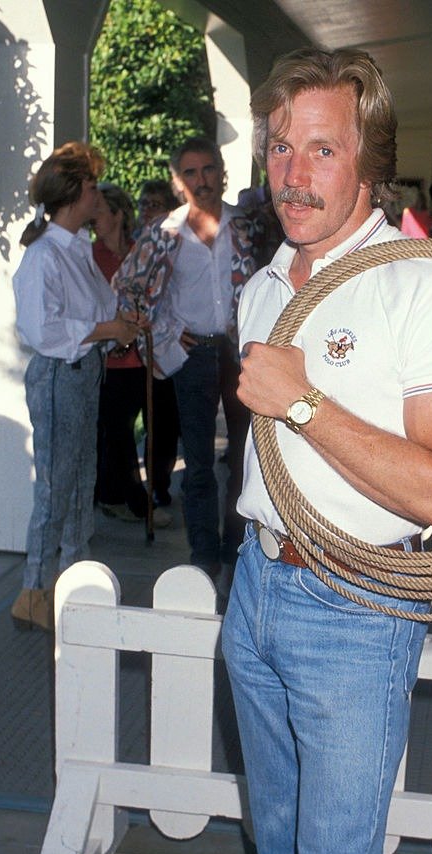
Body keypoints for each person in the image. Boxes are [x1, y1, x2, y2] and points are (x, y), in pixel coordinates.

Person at [221, 47, 432, 854]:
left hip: (353, 605)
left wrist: (302, 403)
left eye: (320, 150)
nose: (292, 173)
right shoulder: (262, 288)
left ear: (365, 163)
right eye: (280, 149)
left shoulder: (424, 285)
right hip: (255, 591)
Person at [10, 142, 145, 631]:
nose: (98, 197)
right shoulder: (44, 256)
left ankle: (73, 580)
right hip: (57, 377)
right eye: (91, 189)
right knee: (55, 487)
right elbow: (42, 331)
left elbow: (93, 313)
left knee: (81, 478)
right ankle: (35, 590)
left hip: (84, 375)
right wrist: (110, 331)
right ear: (71, 195)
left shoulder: (76, 251)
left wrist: (118, 324)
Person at [115, 137, 257, 579]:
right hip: (192, 355)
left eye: (209, 169)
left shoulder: (247, 227)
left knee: (242, 459)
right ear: (179, 182)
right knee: (197, 462)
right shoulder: (162, 234)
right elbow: (128, 287)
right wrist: (168, 332)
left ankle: (237, 548)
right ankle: (204, 554)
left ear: (222, 173)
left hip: (240, 355)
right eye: (191, 173)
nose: (202, 180)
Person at [92, 183, 173, 527]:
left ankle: (140, 493)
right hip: (110, 359)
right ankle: (137, 502)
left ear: (117, 215)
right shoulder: (90, 256)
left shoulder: (137, 251)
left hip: (143, 355)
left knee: (156, 428)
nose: (92, 219)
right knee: (119, 431)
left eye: (99, 212)